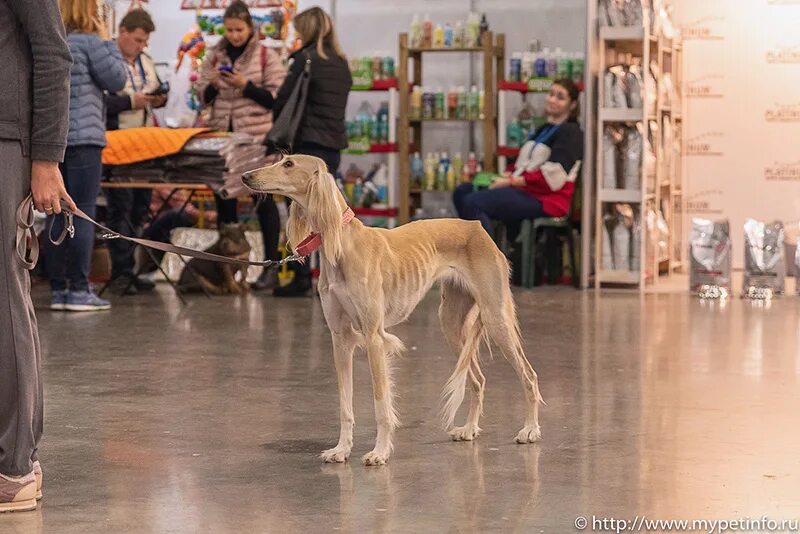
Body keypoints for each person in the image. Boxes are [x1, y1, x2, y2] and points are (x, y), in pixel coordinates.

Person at [0, 0, 73, 512]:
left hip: (7, 140)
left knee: (4, 298)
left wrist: (47, 157)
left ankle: (15, 465)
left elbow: (51, 53)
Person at [195, 0, 286, 291]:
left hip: (257, 140)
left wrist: (244, 85)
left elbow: (276, 98)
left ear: (250, 28)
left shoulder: (265, 56)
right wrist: (215, 86)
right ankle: (228, 275)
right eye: (229, 30)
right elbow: (202, 95)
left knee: (264, 201)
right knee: (225, 203)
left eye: (239, 29)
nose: (233, 35)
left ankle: (269, 267)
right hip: (224, 140)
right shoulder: (215, 54)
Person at [41, 0, 126, 312]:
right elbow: (117, 79)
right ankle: (78, 289)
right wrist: (107, 39)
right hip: (86, 140)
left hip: (51, 140)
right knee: (81, 211)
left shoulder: (51, 38)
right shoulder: (92, 42)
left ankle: (57, 290)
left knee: (53, 211)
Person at [269, 6, 352, 297]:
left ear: (306, 30)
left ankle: (300, 275)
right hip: (333, 146)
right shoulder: (342, 63)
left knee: (301, 213)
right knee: (334, 212)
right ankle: (342, 274)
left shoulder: (305, 60)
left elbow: (282, 102)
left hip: (307, 147)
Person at [453, 78, 584, 238]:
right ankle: (478, 251)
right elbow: (522, 163)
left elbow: (552, 177)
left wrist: (510, 182)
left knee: (474, 203)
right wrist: (507, 175)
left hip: (545, 199)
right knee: (461, 192)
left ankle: (488, 260)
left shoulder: (571, 133)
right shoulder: (544, 129)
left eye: (560, 97)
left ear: (572, 105)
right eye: (551, 94)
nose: (552, 100)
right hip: (523, 188)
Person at [104, 8, 168, 295]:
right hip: (116, 140)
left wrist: (159, 98)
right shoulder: (106, 59)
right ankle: (120, 270)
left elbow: (151, 95)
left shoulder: (146, 61)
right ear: (124, 32)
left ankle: (134, 268)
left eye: (145, 42)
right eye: (139, 40)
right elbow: (101, 103)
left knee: (142, 207)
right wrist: (132, 102)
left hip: (145, 142)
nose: (142, 46)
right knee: (121, 208)